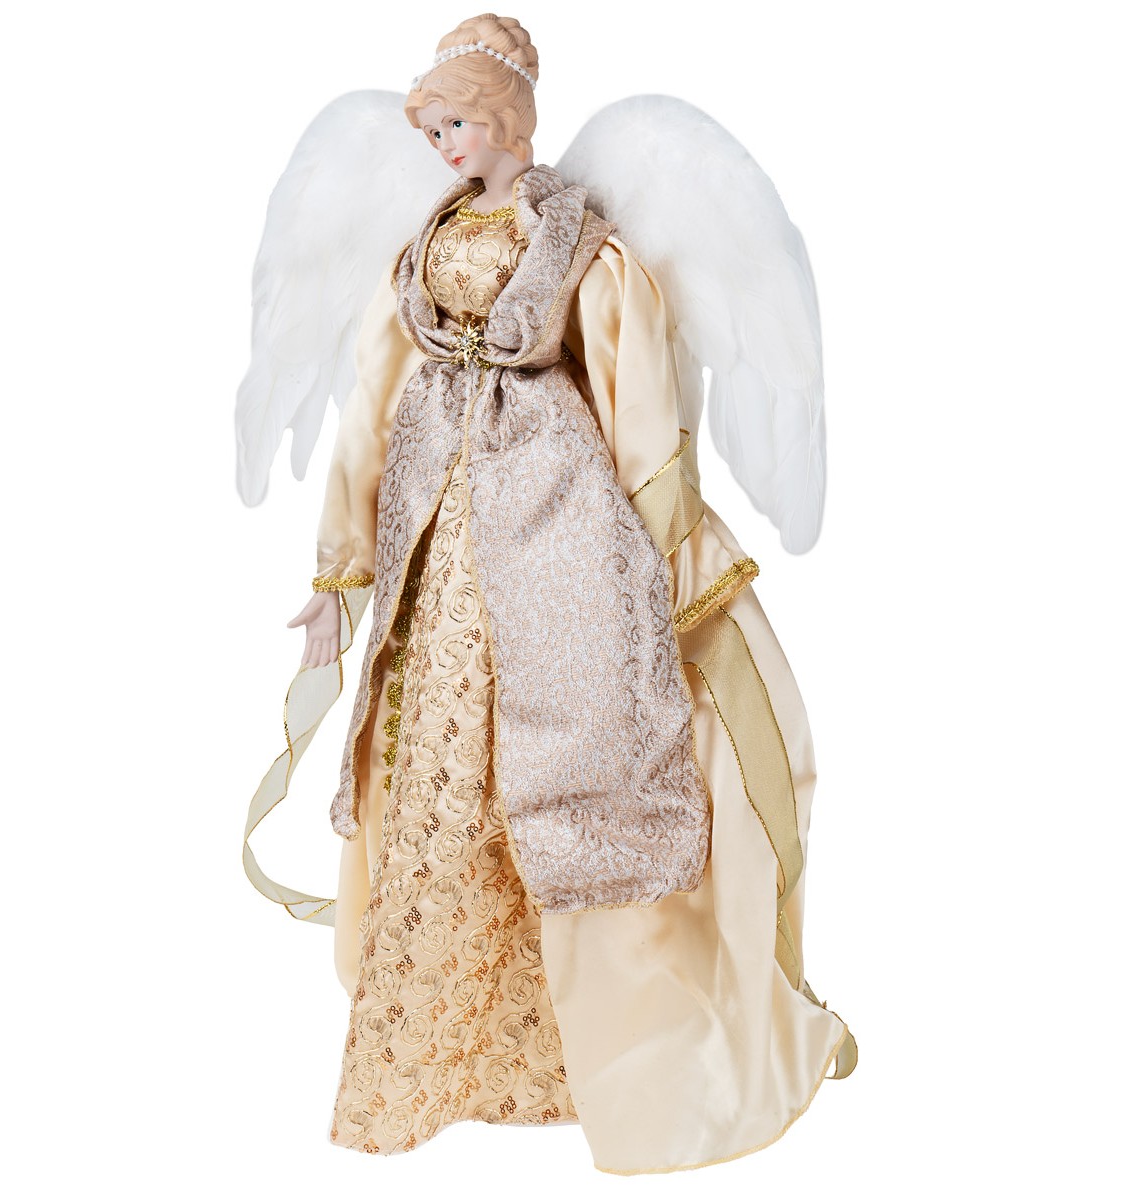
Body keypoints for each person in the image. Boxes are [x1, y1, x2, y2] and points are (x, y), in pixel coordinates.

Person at [240, 12, 856, 1175]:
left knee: (569, 758)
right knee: (444, 761)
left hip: (556, 514)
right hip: (440, 513)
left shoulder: (582, 245)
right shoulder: (422, 246)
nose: (443, 146)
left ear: (507, 120)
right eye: (433, 129)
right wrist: (340, 570)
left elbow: (633, 391)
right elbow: (374, 403)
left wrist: (675, 549)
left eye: (458, 124)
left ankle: (593, 1049)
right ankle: (451, 1046)